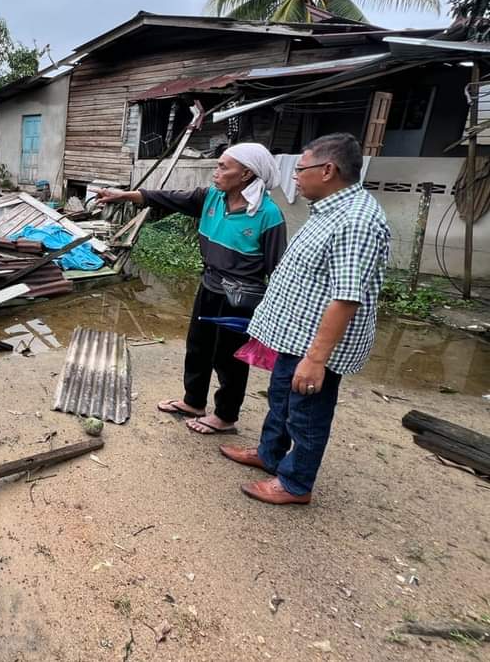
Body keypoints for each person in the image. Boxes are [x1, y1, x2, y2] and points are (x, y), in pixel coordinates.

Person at [220, 133, 390, 505]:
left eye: (300, 169)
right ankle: (269, 454)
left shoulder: (356, 220)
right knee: (281, 398)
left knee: (308, 412)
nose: (294, 176)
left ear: (327, 170)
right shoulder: (329, 210)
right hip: (294, 335)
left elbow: (347, 298)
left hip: (316, 344)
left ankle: (296, 484)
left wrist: (316, 359)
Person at [96, 142, 286, 435]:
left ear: (246, 174)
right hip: (209, 286)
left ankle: (225, 416)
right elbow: (168, 198)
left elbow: (278, 269)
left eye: (224, 166)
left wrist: (273, 315)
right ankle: (194, 402)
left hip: (240, 298)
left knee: (229, 359)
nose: (216, 172)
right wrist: (125, 195)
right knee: (198, 347)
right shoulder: (211, 198)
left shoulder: (267, 214)